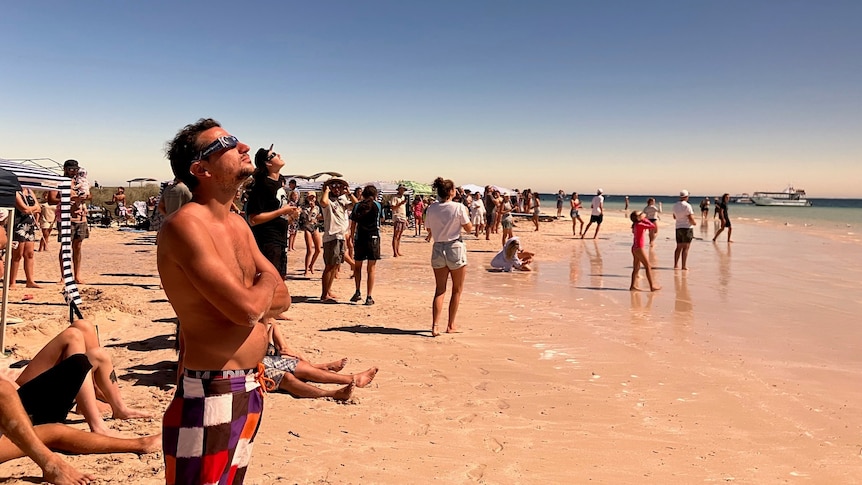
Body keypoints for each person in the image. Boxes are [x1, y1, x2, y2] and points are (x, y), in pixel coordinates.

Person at [159, 118, 291, 485]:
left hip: (250, 384)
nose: (244, 145)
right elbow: (248, 309)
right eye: (227, 143)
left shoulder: (237, 224)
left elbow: (283, 297)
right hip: (211, 388)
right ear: (200, 169)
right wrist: (263, 285)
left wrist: (257, 291)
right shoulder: (186, 225)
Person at [10, 319, 152, 435]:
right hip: (16, 403)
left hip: (21, 391)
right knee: (72, 336)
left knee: (86, 331)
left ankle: (117, 407)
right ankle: (96, 424)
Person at [262, 324, 377, 401]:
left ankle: (354, 378)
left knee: (302, 367)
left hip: (261, 357)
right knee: (287, 378)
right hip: (249, 365)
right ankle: (332, 394)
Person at [424, 177, 473, 337]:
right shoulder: (458, 207)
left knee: (440, 290)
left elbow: (428, 228)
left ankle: (435, 325)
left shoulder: (431, 208)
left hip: (438, 247)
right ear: (452, 191)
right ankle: (451, 324)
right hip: (454, 247)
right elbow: (468, 229)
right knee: (457, 290)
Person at [246, 146, 298, 280]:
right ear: (267, 163)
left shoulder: (278, 183)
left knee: (280, 279)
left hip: (280, 240)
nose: (279, 155)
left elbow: (278, 215)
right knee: (268, 280)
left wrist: (291, 215)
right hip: (267, 241)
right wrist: (282, 211)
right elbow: (253, 219)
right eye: (273, 155)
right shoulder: (262, 186)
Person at [47, 160, 89, 284]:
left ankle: (77, 274)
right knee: (65, 246)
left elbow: (89, 195)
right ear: (65, 169)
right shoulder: (57, 182)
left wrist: (84, 196)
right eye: (71, 169)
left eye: (76, 169)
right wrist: (69, 197)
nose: (74, 172)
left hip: (80, 216)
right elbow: (51, 199)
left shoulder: (80, 181)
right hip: (65, 216)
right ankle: (64, 275)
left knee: (78, 245)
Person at [319, 178, 358, 303]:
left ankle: (328, 290)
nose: (336, 189)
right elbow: (323, 202)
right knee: (329, 266)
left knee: (336, 265)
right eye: (334, 187)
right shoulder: (328, 201)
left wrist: (349, 193)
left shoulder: (342, 200)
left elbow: (357, 205)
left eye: (338, 187)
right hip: (332, 236)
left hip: (341, 236)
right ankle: (324, 294)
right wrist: (326, 190)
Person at [349, 185, 382, 305]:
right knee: (371, 269)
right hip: (373, 237)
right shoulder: (377, 205)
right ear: (375, 195)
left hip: (360, 238)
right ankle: (369, 296)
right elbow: (381, 220)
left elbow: (353, 223)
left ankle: (357, 291)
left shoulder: (358, 205)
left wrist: (351, 237)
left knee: (358, 267)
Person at [10, 186, 41, 288]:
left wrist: (32, 209)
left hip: (29, 225)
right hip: (18, 225)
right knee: (17, 254)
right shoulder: (15, 192)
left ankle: (30, 281)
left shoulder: (29, 191)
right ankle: (12, 282)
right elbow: (24, 209)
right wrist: (33, 208)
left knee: (29, 254)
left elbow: (38, 207)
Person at [630, 211, 660, 291]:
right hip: (639, 248)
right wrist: (645, 219)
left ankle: (632, 286)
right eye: (641, 214)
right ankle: (652, 286)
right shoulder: (639, 224)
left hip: (635, 247)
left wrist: (642, 218)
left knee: (636, 267)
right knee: (648, 266)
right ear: (638, 217)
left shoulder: (636, 225)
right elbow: (652, 226)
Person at [672, 190, 697, 270]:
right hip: (687, 228)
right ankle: (684, 265)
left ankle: (676, 264)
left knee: (678, 247)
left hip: (678, 227)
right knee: (686, 248)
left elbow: (674, 217)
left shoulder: (675, 205)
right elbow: (690, 217)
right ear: (686, 197)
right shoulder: (687, 206)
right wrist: (694, 223)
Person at [300, 193, 322, 275]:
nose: (312, 199)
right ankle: (306, 269)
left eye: (313, 197)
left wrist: (319, 218)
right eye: (310, 197)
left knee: (318, 249)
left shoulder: (317, 207)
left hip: (315, 227)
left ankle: (311, 265)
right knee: (309, 250)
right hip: (307, 227)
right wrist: (311, 209)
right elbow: (307, 219)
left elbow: (318, 217)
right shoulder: (304, 208)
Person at [390, 185, 408, 257]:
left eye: (403, 189)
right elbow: (392, 207)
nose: (402, 191)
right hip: (397, 217)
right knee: (396, 235)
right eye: (401, 189)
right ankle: (395, 252)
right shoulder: (395, 198)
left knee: (399, 236)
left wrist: (406, 219)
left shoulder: (403, 198)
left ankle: (397, 250)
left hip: (403, 217)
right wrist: (400, 203)